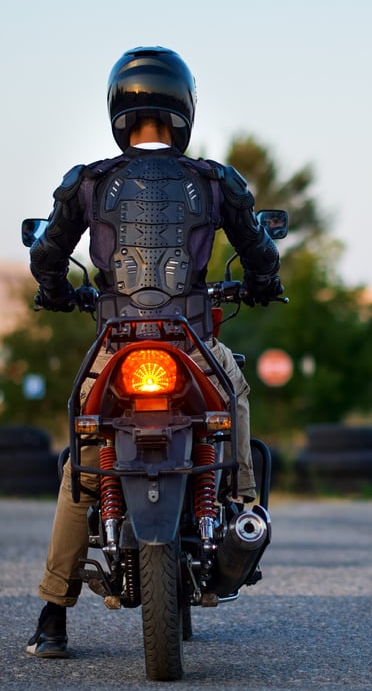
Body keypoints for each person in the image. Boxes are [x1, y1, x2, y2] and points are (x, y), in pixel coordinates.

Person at [24, 47, 284, 658]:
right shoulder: (215, 181)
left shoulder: (89, 182)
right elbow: (261, 256)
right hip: (192, 343)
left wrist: (59, 294)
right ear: (184, 109)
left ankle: (52, 615)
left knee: (84, 458)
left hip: (116, 348)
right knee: (233, 401)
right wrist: (262, 286)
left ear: (119, 107)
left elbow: (46, 257)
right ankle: (243, 508)